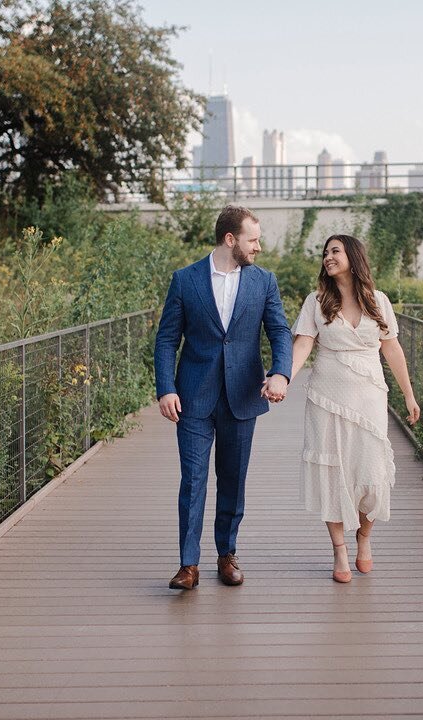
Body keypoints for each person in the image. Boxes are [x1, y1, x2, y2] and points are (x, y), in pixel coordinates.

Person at [154, 205, 293, 590]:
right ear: (231, 240)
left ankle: (227, 554)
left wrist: (280, 373)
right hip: (192, 397)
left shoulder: (264, 282)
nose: (259, 247)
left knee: (233, 480)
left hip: (242, 395)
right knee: (193, 480)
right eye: (253, 239)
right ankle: (188, 564)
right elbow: (167, 339)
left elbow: (280, 332)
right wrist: (165, 387)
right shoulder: (185, 280)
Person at [287, 234, 420, 583]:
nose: (327, 257)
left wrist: (408, 394)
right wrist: (282, 379)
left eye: (335, 251)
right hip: (327, 397)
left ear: (353, 257)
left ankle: (363, 538)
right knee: (333, 473)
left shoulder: (379, 301)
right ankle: (339, 551)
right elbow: (302, 346)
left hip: (369, 397)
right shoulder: (315, 301)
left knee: (371, 474)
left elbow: (392, 350)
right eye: (325, 252)